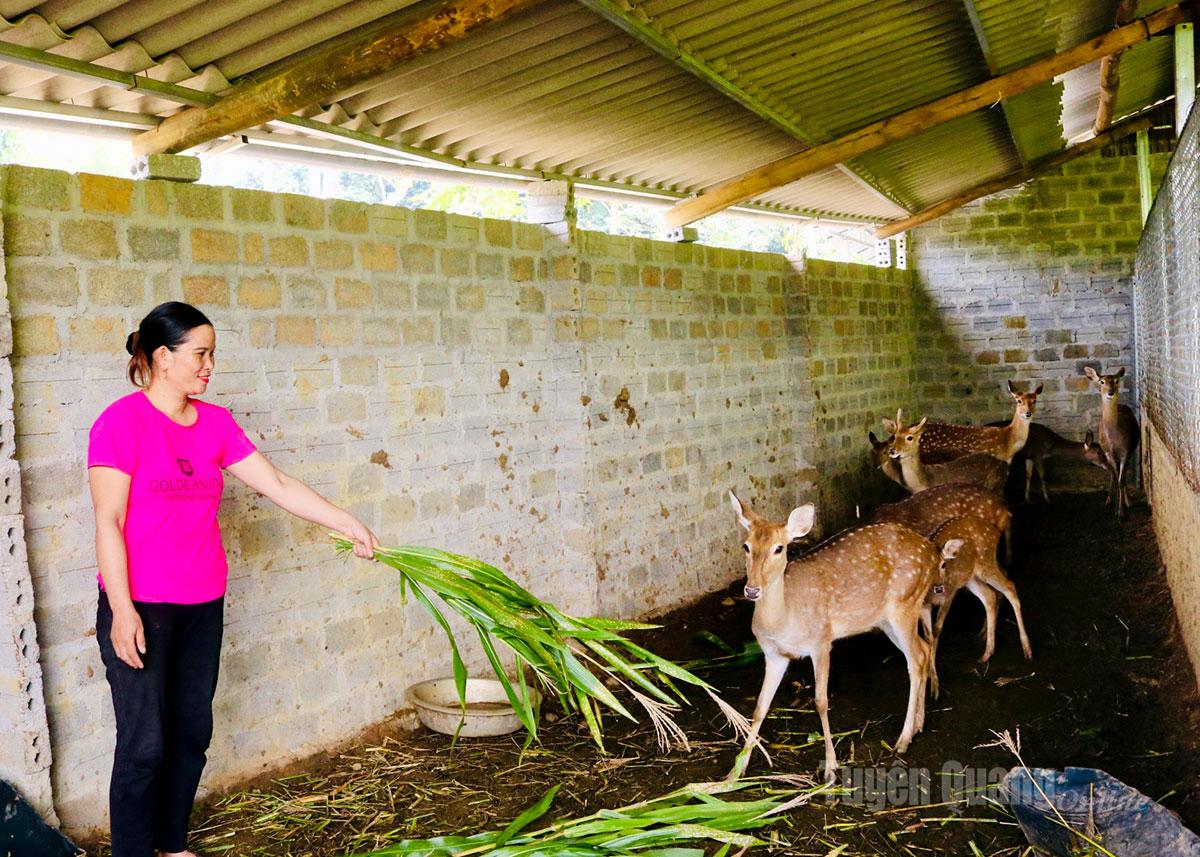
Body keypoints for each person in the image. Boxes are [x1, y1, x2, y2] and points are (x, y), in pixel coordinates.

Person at [87, 301, 378, 857]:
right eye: (200, 354)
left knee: (191, 734)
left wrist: (348, 522)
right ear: (162, 358)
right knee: (145, 744)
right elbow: (110, 521)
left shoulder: (215, 423)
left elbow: (277, 483)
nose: (209, 366)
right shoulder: (120, 423)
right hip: (142, 605)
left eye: (212, 354)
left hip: (203, 603)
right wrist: (122, 611)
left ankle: (171, 845)